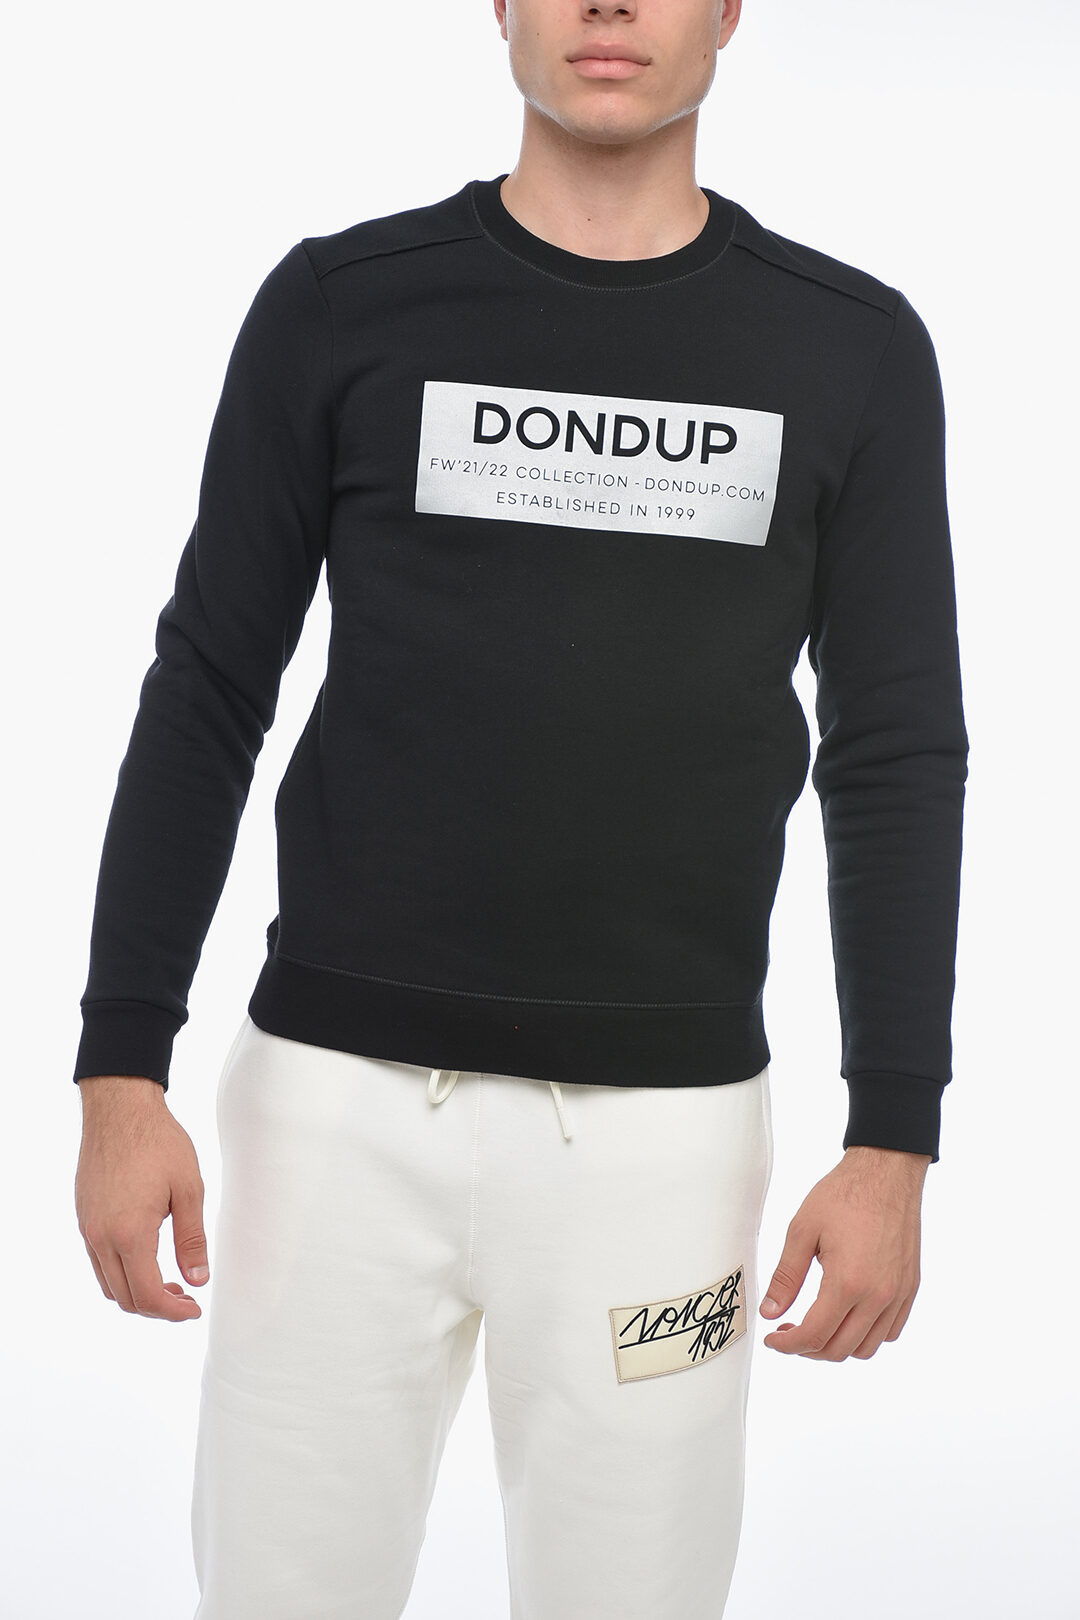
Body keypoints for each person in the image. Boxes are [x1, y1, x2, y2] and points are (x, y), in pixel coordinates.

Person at [72, 0, 969, 1615]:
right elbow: (207, 686)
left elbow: (896, 749)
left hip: (665, 1152)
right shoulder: (343, 306)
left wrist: (895, 1136)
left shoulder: (849, 350)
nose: (607, 4)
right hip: (331, 1125)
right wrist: (120, 1071)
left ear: (730, 9)